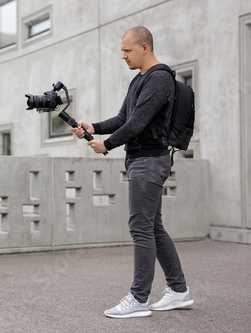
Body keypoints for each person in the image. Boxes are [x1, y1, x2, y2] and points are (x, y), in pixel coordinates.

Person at [71, 26, 194, 318]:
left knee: (140, 228)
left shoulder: (160, 78)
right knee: (153, 227)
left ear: (144, 48)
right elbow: (124, 118)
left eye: (127, 50)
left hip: (150, 161)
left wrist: (107, 145)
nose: (123, 56)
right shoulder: (138, 80)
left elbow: (137, 123)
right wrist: (94, 128)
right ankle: (179, 291)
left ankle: (139, 299)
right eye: (121, 51)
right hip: (141, 160)